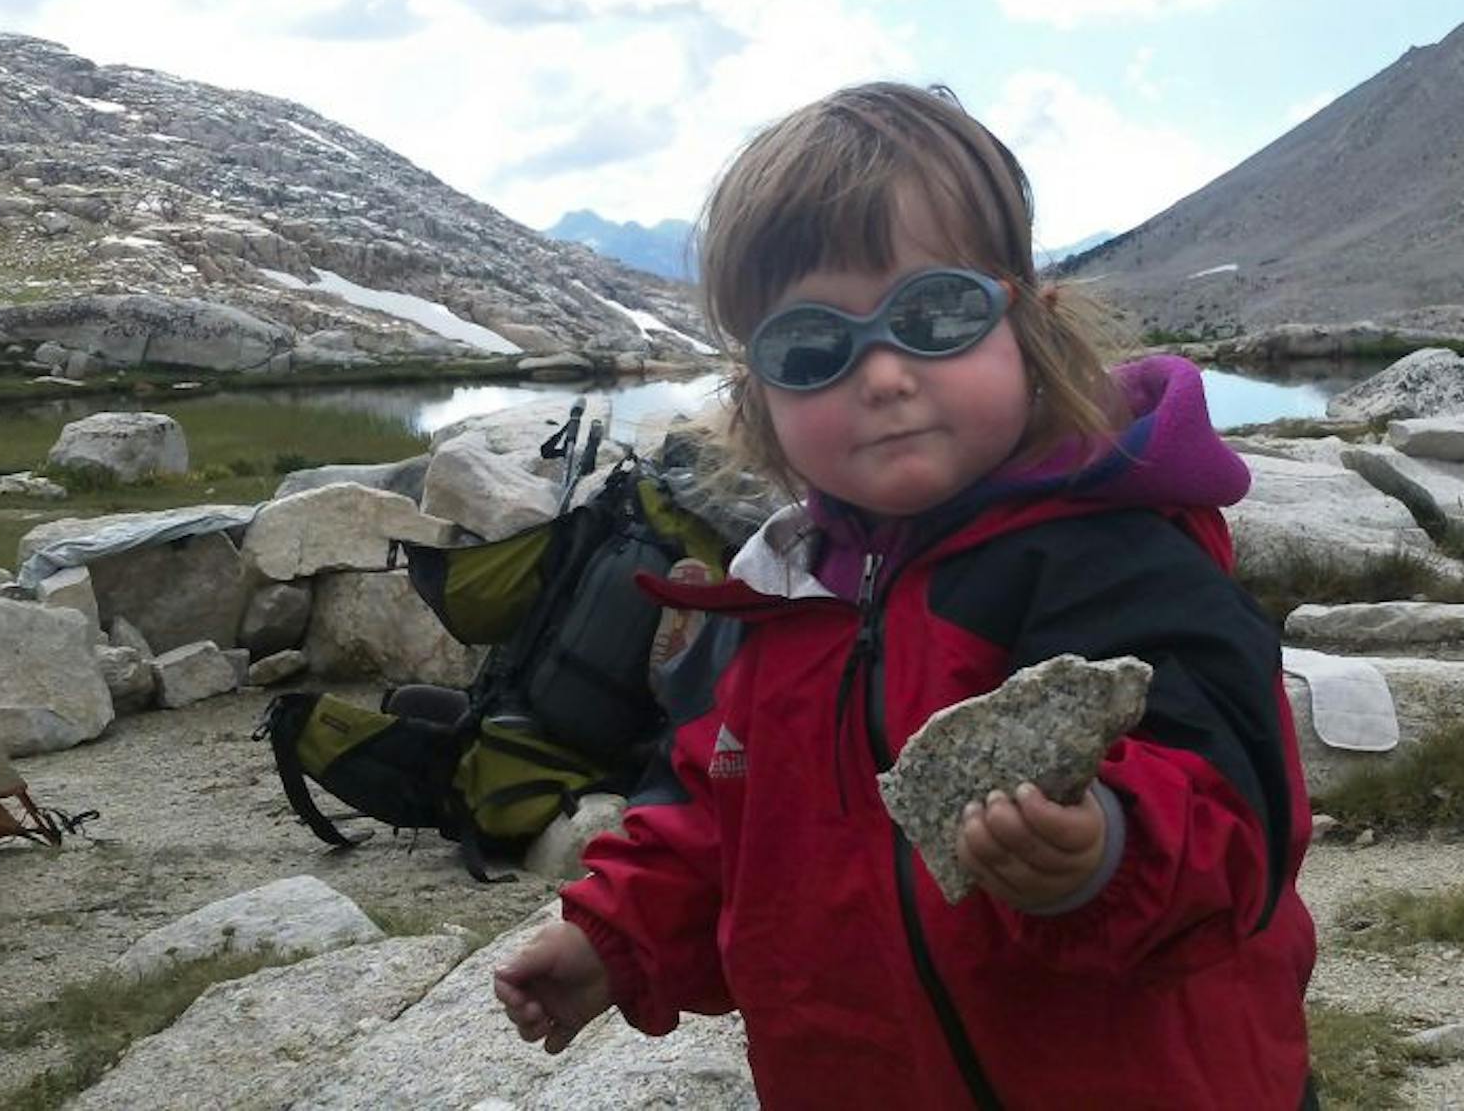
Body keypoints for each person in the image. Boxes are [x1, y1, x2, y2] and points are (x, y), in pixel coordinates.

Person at [494, 82, 1316, 1109]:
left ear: (1030, 323)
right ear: (758, 392)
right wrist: (613, 936)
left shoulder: (1119, 560)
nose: (881, 374)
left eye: (934, 314)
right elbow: (712, 816)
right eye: (810, 345)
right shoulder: (775, 600)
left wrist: (1103, 850)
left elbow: (1236, 808)